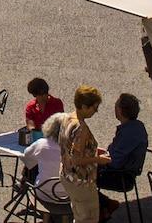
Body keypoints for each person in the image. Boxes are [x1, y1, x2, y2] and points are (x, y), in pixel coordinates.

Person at [59, 86, 102, 223]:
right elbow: (77, 160)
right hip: (81, 181)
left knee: (79, 214)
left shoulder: (67, 119)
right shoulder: (81, 129)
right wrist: (98, 159)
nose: (95, 112)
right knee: (88, 218)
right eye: (94, 108)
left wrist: (91, 150)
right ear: (84, 106)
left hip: (67, 176)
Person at [97, 92, 148, 205]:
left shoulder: (129, 133)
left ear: (120, 110)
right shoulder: (137, 127)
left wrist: (95, 159)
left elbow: (114, 161)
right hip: (124, 173)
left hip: (120, 177)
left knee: (79, 177)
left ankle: (105, 205)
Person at [21, 113, 66, 192]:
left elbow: (26, 157)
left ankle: (22, 184)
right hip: (67, 197)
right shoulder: (74, 147)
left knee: (32, 165)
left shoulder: (41, 143)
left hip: (43, 193)